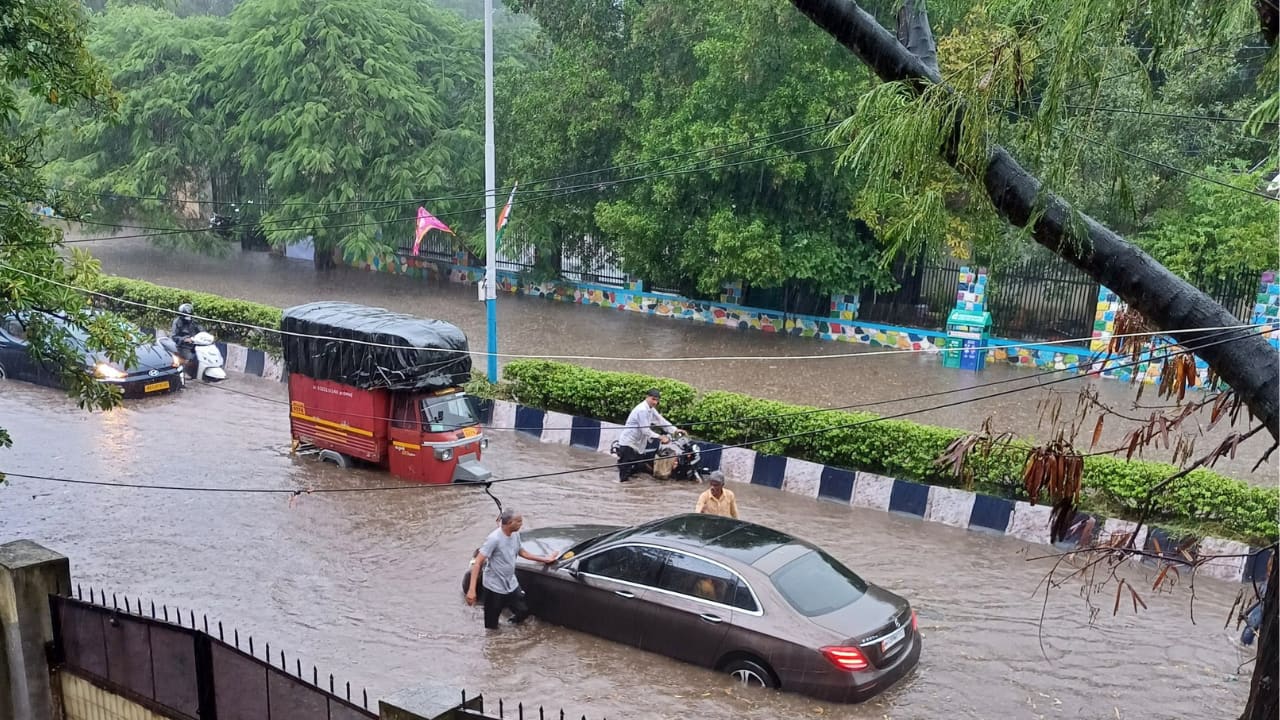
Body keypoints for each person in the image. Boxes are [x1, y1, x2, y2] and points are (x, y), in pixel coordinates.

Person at [465, 509, 557, 630]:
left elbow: (521, 551)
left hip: (511, 583)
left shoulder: (515, 534)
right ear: (509, 523)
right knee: (491, 625)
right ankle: (494, 644)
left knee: (523, 611)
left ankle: (509, 627)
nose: (521, 524)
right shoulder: (494, 539)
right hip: (494, 586)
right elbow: (477, 563)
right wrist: (471, 590)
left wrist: (545, 559)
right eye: (518, 521)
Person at [616, 388, 682, 482]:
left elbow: (660, 420)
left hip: (638, 445)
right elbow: (645, 430)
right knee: (624, 475)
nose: (655, 402)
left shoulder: (651, 409)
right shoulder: (642, 410)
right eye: (653, 399)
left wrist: (675, 430)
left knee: (636, 469)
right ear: (647, 397)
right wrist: (660, 437)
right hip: (628, 444)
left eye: (657, 400)